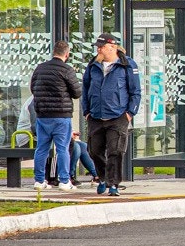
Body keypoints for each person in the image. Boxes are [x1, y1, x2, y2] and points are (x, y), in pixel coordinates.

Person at [83, 33, 140, 196]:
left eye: (101, 47)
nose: (99, 49)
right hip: (95, 115)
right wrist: (86, 111)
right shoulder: (93, 64)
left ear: (112, 47)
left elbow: (135, 91)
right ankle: (102, 178)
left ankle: (113, 185)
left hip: (118, 116)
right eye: (98, 47)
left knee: (115, 151)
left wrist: (130, 113)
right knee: (94, 150)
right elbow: (85, 88)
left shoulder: (127, 64)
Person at [29, 40, 82, 192]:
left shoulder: (40, 68)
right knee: (62, 149)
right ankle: (64, 181)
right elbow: (77, 92)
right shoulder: (67, 69)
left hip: (42, 115)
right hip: (61, 116)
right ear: (67, 54)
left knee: (41, 149)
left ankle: (39, 181)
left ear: (53, 52)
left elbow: (33, 88)